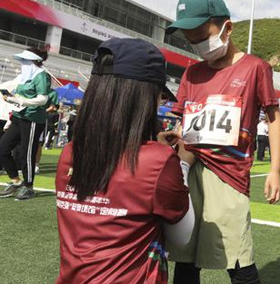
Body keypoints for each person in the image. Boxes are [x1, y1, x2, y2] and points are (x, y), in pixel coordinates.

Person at [165, 0, 280, 284]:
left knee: (239, 260)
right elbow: (184, 124)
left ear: (227, 27)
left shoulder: (256, 68)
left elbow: (273, 118)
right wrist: (172, 137)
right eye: (190, 39)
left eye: (201, 34)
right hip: (188, 171)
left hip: (230, 176)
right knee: (185, 258)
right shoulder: (191, 74)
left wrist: (275, 170)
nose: (197, 44)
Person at [55, 38, 195, 283]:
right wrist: (182, 163)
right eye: (159, 97)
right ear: (142, 97)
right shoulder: (158, 161)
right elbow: (182, 237)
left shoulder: (70, 152)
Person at [0, 47, 51, 200]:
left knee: (26, 154)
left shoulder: (42, 76)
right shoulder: (24, 76)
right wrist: (12, 99)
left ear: (33, 61)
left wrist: (19, 100)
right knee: (2, 148)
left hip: (33, 119)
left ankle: (28, 187)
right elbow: (19, 96)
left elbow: (43, 99)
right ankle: (16, 181)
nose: (22, 63)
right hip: (18, 117)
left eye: (24, 60)